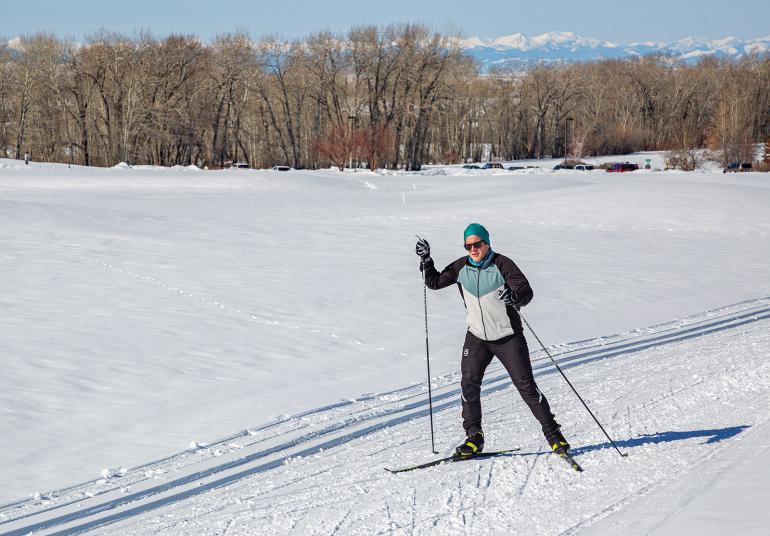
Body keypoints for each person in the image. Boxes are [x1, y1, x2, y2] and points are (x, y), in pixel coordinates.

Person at [415, 223, 570, 457]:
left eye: (477, 244)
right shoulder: (461, 267)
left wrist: (514, 296)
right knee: (469, 383)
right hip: (477, 337)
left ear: (487, 243)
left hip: (508, 337)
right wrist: (426, 261)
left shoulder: (502, 264)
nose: (473, 249)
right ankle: (474, 437)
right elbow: (434, 282)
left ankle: (553, 435)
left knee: (526, 386)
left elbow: (526, 292)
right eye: (468, 246)